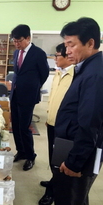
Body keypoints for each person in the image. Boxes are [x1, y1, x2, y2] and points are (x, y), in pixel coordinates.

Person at [52, 17, 103, 205]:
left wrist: (75, 162)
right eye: (66, 45)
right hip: (70, 147)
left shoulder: (95, 74)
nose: (67, 51)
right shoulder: (87, 68)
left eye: (71, 45)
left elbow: (90, 123)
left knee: (71, 198)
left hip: (78, 154)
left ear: (90, 43)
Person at [38, 43, 74, 205]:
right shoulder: (59, 73)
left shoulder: (75, 75)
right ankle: (54, 181)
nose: (54, 58)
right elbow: (54, 98)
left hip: (64, 127)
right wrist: (49, 117)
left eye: (57, 55)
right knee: (53, 158)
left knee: (60, 161)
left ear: (67, 56)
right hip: (52, 123)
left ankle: (52, 192)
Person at [10, 24, 49, 171]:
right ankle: (21, 151)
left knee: (25, 127)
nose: (16, 43)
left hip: (28, 96)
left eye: (19, 40)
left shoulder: (38, 53)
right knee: (15, 126)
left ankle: (30, 156)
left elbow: (44, 73)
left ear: (28, 38)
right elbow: (17, 73)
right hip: (15, 94)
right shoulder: (16, 53)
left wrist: (32, 86)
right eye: (14, 41)